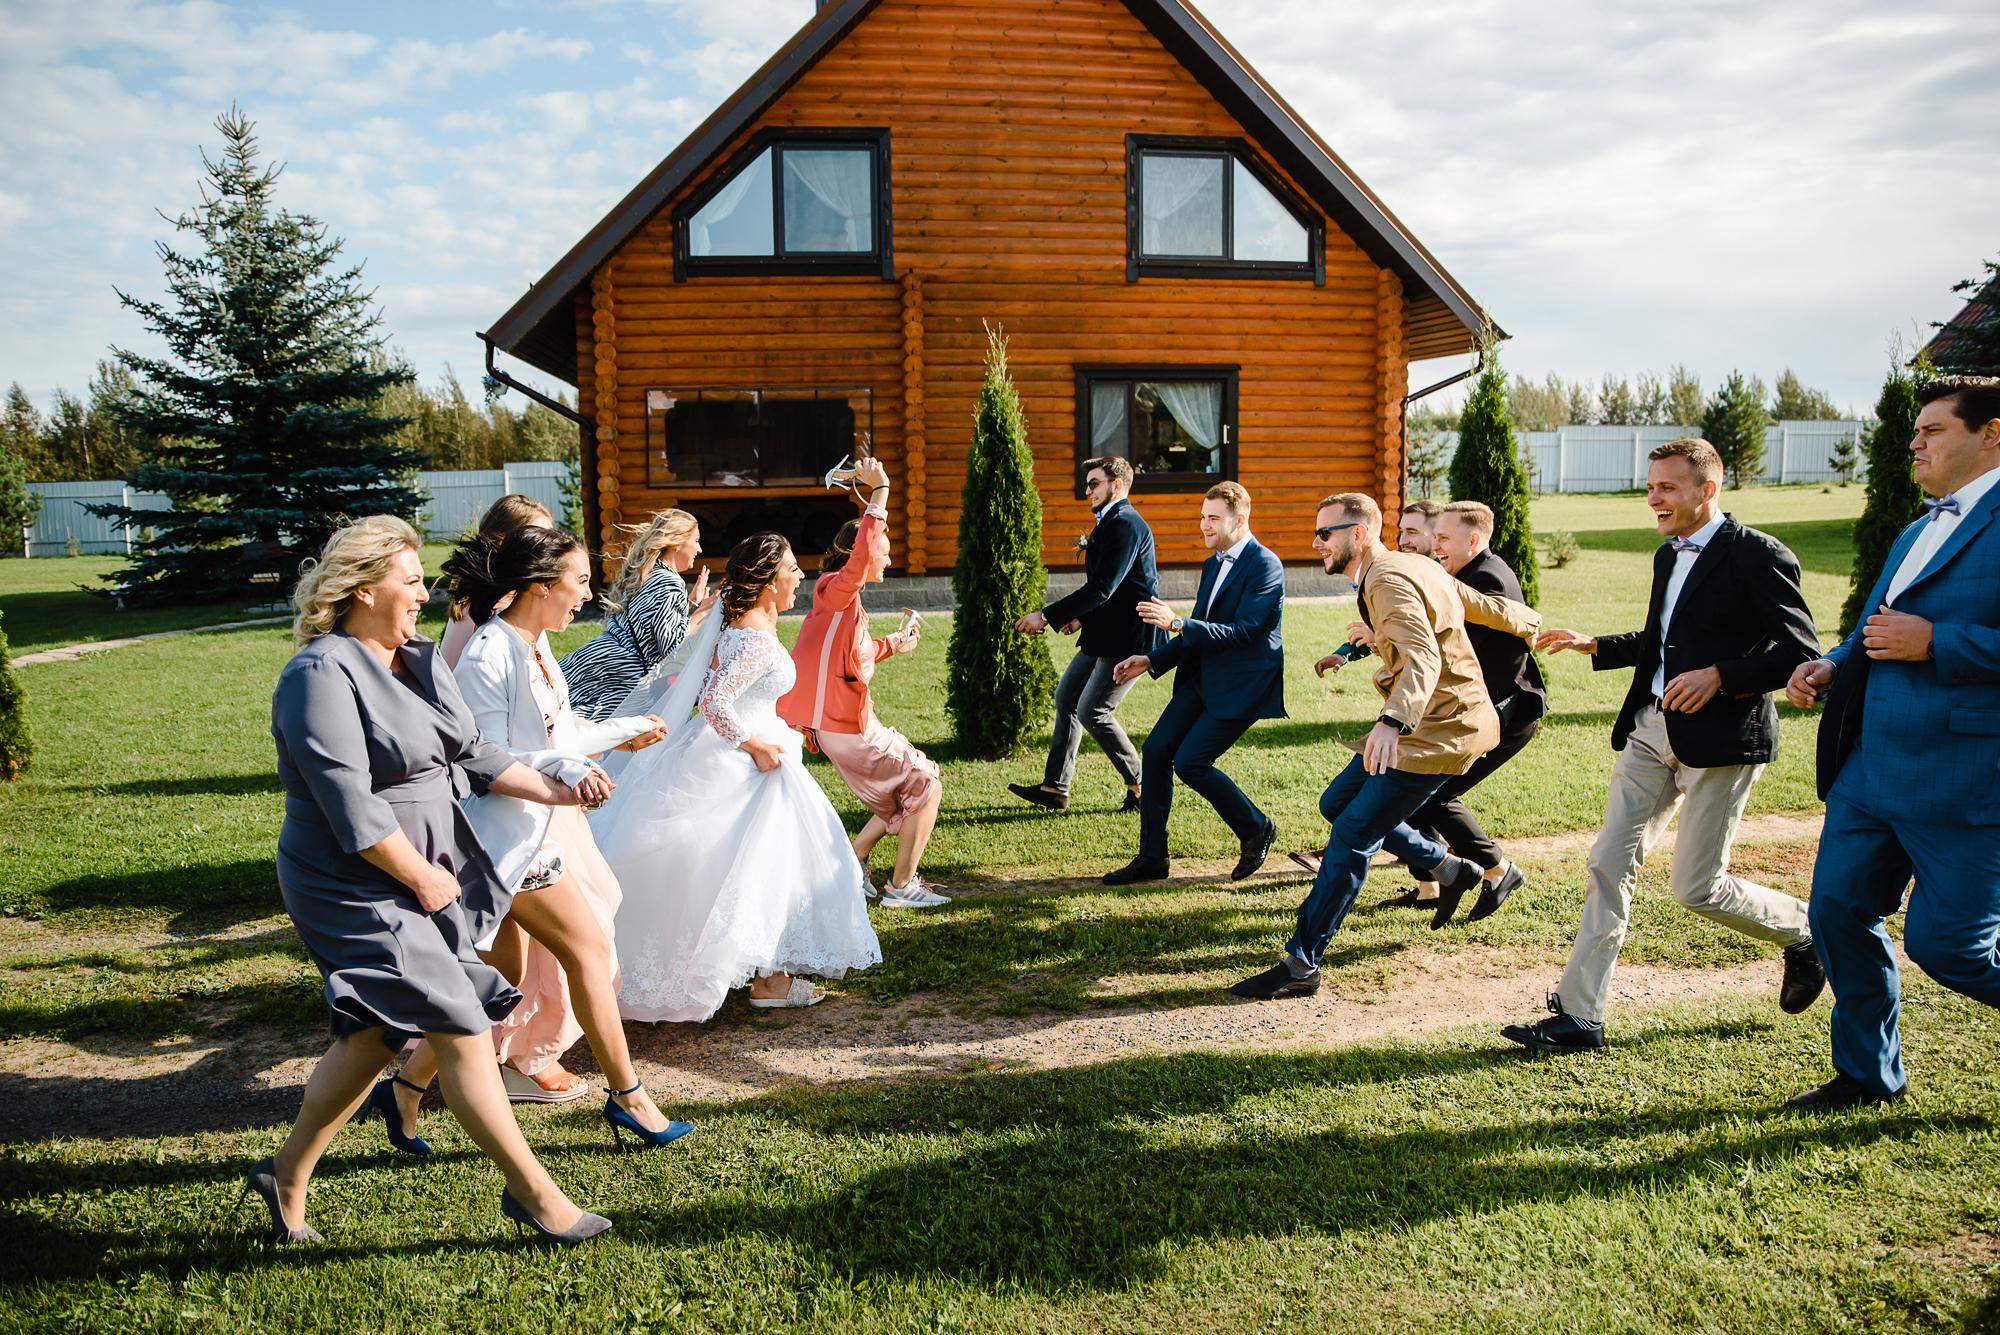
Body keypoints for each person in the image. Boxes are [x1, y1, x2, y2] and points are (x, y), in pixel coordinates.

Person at [257, 515, 608, 1247]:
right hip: (349, 875)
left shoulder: (415, 658)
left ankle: (285, 1174)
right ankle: (539, 1197)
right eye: (411, 580)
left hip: (422, 863)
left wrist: (558, 789)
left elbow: (477, 753)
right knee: (459, 1019)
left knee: (377, 1031)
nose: (425, 593)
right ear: (362, 586)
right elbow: (348, 800)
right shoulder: (320, 672)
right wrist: (422, 876)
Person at [1500, 437, 1824, 1055]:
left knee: (1697, 888)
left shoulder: (1757, 555)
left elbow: (1799, 652)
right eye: (1651, 487)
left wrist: (1721, 677)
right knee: (1607, 863)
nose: (1655, 498)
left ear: (1708, 490)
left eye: (1668, 487)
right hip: (1651, 729)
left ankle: (1806, 931)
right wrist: (1599, 645)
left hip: (1722, 739)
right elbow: (1666, 635)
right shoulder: (1668, 555)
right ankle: (1578, 1016)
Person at [388, 526, 694, 1151]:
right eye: (579, 581)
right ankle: (629, 1098)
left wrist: (624, 728)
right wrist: (571, 769)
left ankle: (406, 1086)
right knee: (589, 951)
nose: (586, 594)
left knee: (502, 974)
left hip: (536, 832)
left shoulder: (536, 644)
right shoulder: (489, 653)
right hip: (504, 844)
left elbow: (558, 731)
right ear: (538, 585)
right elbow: (490, 757)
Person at [1784, 375, 2000, 1110]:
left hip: (1967, 776)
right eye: (1916, 430)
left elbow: (1918, 638)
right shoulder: (1917, 528)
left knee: (1951, 949)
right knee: (1837, 912)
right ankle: (1869, 1074)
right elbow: (1872, 631)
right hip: (1871, 771)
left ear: (1992, 434)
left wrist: (1942, 641)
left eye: (1934, 429)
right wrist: (1829, 664)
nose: (1915, 441)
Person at [1230, 493, 1540, 999]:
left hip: (1440, 731)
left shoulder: (1388, 578)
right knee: (1336, 804)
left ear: (1358, 534)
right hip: (1433, 722)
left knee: (1353, 831)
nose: (1316, 543)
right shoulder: (1407, 565)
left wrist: (1391, 722)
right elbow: (1472, 602)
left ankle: (1302, 963)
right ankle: (1449, 867)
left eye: (1325, 533)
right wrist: (1528, 621)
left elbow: (1421, 657)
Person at [593, 533, 883, 1021]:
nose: (800, 577)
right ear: (770, 582)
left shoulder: (745, 625)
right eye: (792, 569)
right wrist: (753, 745)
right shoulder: (752, 636)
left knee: (761, 867)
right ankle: (769, 980)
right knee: (754, 866)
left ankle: (770, 975)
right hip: (746, 759)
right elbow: (714, 702)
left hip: (748, 750)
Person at [777, 457, 949, 908]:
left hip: (840, 726)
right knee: (925, 785)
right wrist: (880, 494)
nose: (888, 555)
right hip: (847, 728)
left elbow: (851, 657)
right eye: (884, 547)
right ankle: (902, 886)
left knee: (902, 789)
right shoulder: (837, 587)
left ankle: (855, 861)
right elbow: (857, 565)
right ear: (863, 550)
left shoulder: (839, 604)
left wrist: (894, 643)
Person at [1102, 481, 1284, 886]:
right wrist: (1150, 658)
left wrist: (1178, 622)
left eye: (1213, 518)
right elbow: (1197, 634)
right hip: (1200, 679)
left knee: (1191, 762)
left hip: (1240, 685)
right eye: (1202, 516)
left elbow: (1244, 631)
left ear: (1240, 520)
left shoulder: (1266, 565)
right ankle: (1152, 858)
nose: (1203, 525)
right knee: (1156, 750)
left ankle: (1256, 829)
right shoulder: (1213, 563)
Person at [1397, 500, 1546, 925]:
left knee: (1433, 792)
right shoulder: (1465, 572)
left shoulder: (1486, 578)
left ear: (1473, 539)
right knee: (1416, 793)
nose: (1434, 546)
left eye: (1443, 539)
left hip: (1507, 714)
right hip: (1473, 711)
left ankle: (1499, 871)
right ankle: (1429, 884)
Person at [1008, 455, 1165, 814]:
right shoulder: (1111, 522)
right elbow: (1110, 587)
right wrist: (1080, 619)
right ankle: (1055, 788)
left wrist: (1047, 615)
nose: (1088, 491)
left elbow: (1104, 588)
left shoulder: (1125, 524)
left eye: (1094, 483)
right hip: (1104, 631)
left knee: (1093, 710)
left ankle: (1143, 785)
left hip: (1129, 637)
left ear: (1118, 485)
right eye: (1088, 484)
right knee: (1068, 699)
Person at [562, 508, 715, 722]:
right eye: (696, 540)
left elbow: (653, 623)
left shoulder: (650, 572)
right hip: (623, 674)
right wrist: (701, 613)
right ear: (677, 543)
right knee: (593, 734)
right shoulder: (671, 582)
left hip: (602, 658)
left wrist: (690, 603)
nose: (699, 549)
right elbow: (671, 646)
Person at [440, 495, 552, 668]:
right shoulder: (496, 608)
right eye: (539, 539)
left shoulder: (489, 596)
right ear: (504, 542)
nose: (550, 549)